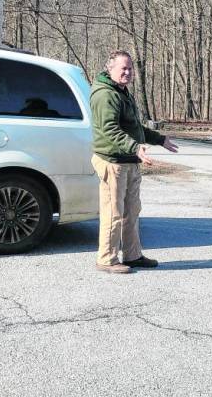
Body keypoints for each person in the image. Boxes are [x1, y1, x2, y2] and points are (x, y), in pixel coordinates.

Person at [90, 50, 179, 274]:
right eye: (123, 68)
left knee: (132, 211)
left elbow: (134, 127)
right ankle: (106, 259)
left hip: (129, 161)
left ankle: (132, 255)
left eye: (130, 68)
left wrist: (159, 139)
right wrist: (135, 147)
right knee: (113, 213)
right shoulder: (105, 94)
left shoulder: (122, 91)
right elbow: (110, 130)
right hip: (114, 162)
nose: (128, 72)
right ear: (110, 69)